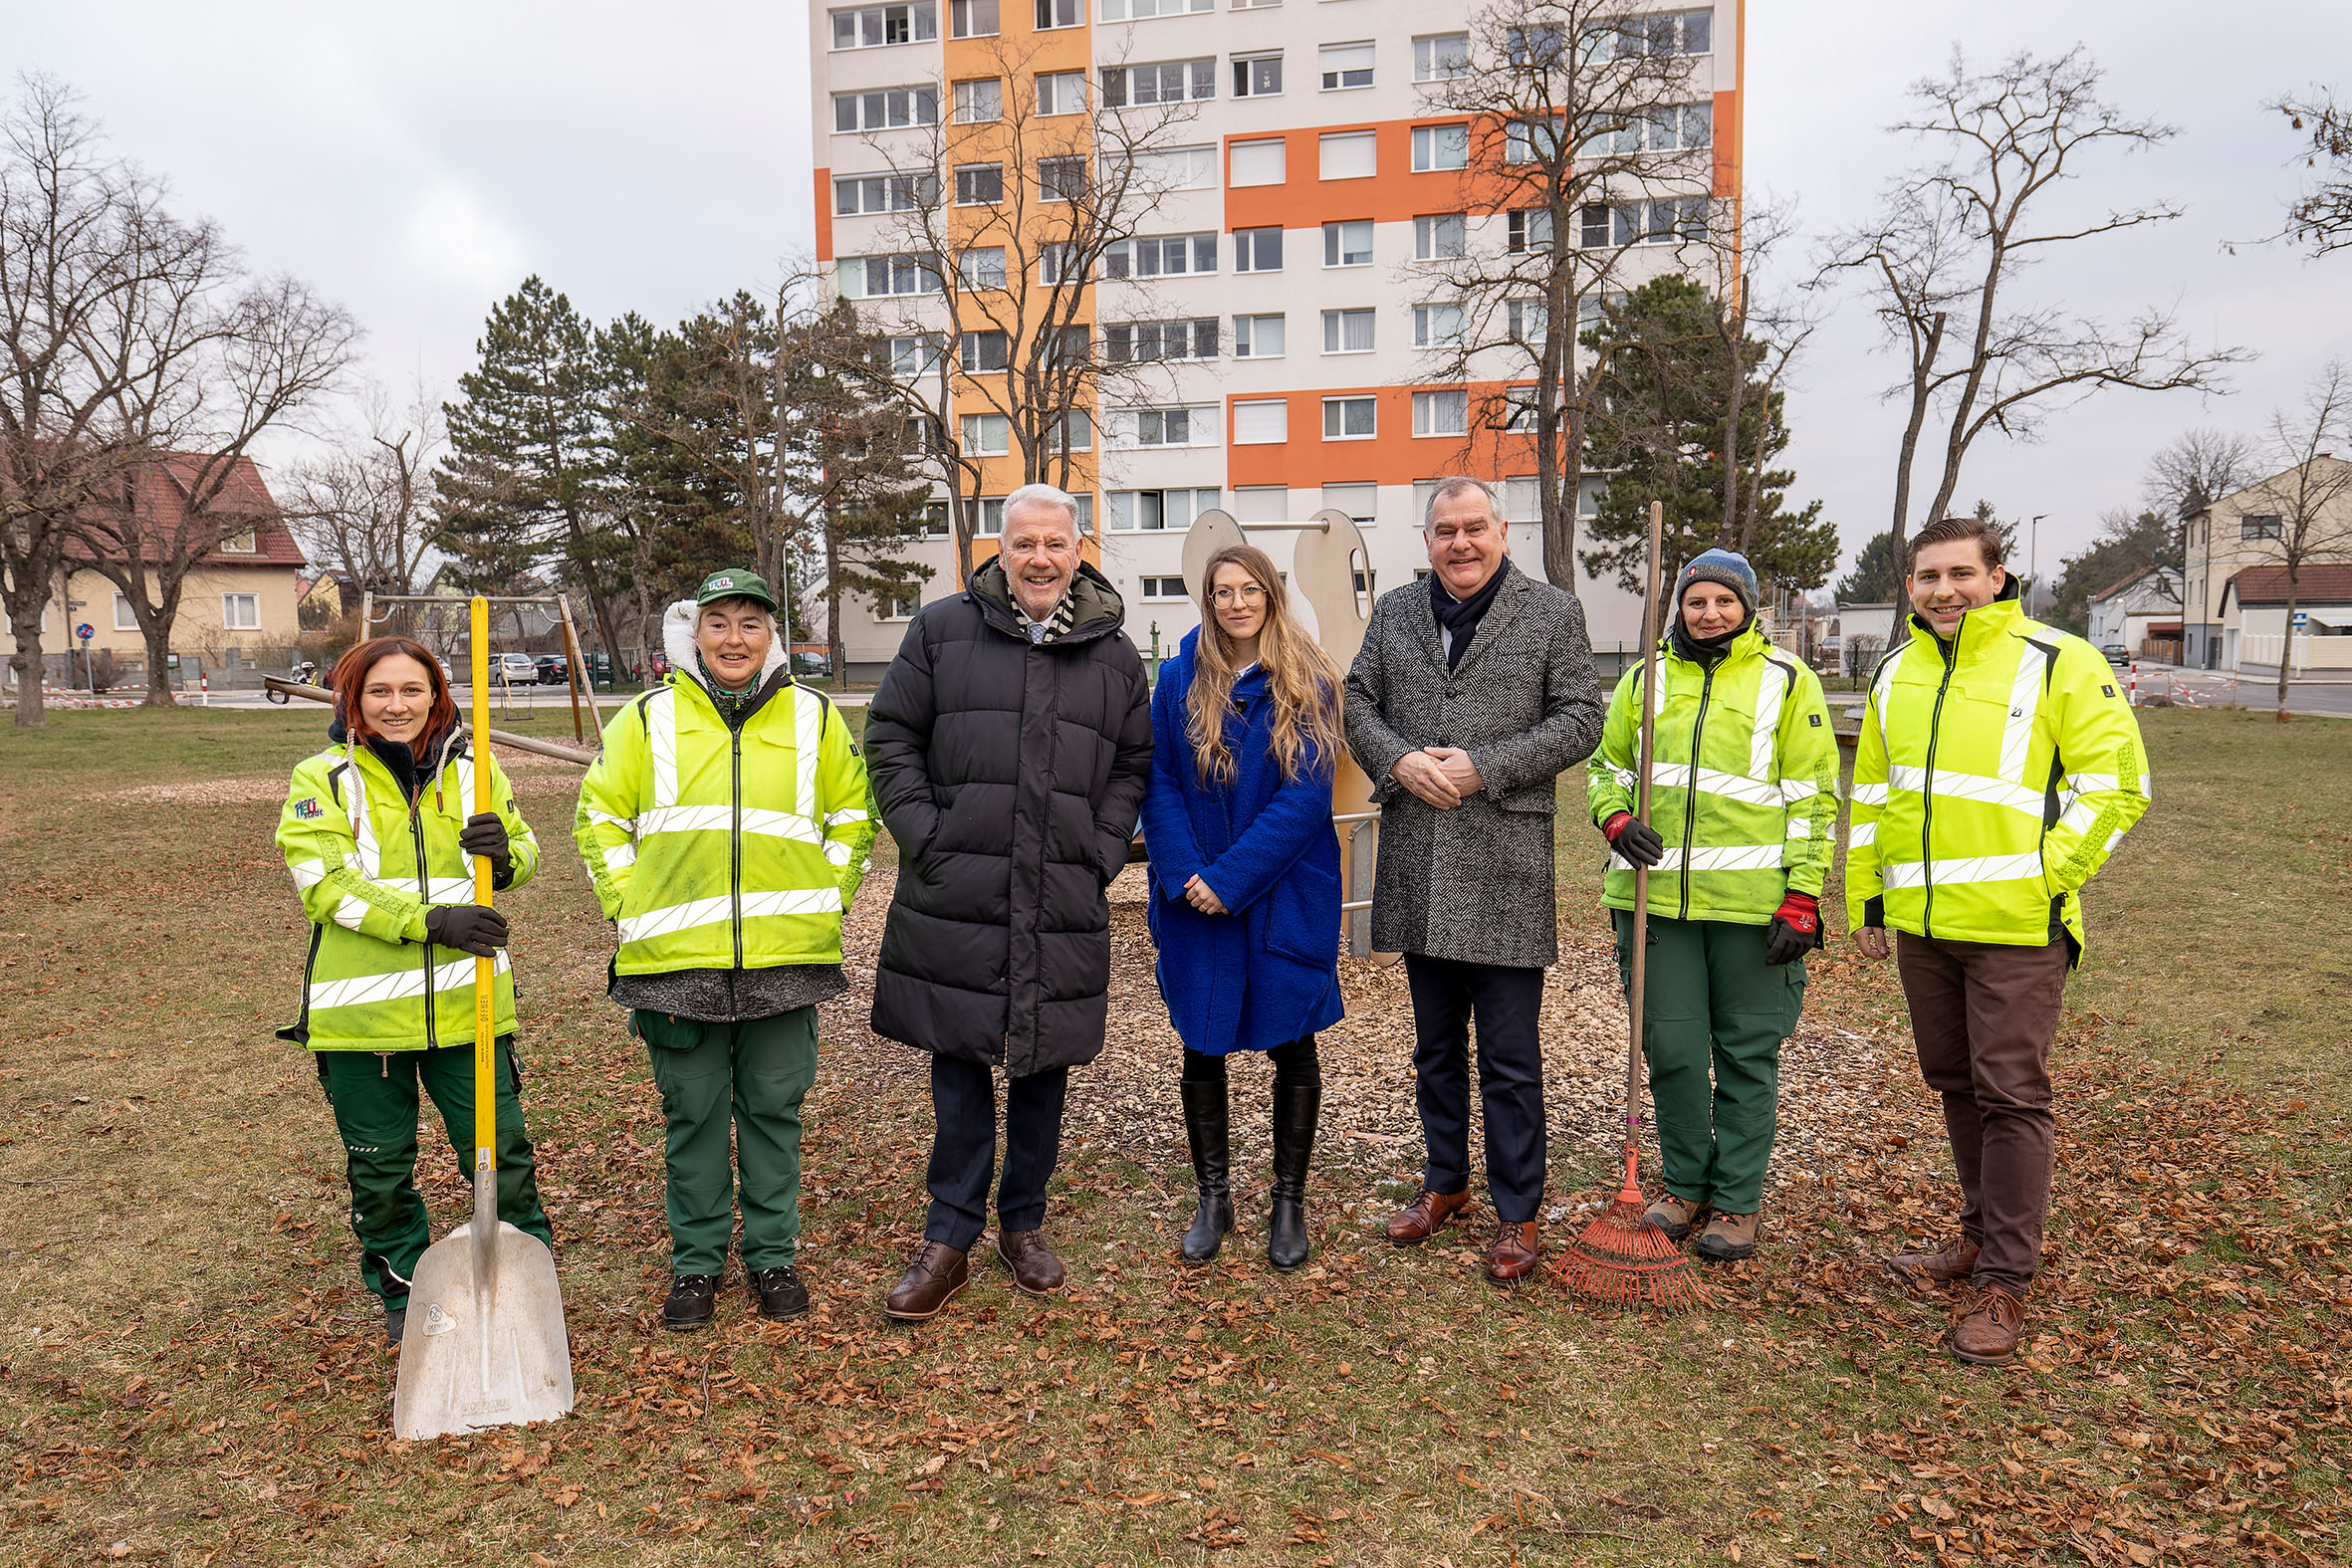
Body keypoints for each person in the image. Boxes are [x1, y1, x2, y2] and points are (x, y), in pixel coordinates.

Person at [1849, 515, 2150, 1366]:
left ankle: (2005, 1283)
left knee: (2011, 1091)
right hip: (1925, 928)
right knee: (1954, 1081)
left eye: (1960, 574)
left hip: (2018, 928)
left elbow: (2118, 785)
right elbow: (1874, 794)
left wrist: (2048, 876)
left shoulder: (2059, 660)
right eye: (1927, 576)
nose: (1944, 590)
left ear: (1996, 576)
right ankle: (1977, 1238)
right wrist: (1872, 903)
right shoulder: (1896, 669)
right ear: (1909, 586)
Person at [864, 485, 1153, 1320]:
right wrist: (931, 837)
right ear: (999, 549)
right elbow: (889, 738)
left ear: (1077, 548)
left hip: (1059, 890)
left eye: (1054, 543)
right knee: (958, 1066)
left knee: (1042, 1068)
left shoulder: (1113, 653)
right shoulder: (941, 630)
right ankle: (948, 1236)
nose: (1038, 557)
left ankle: (1022, 1222)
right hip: (961, 889)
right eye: (1023, 542)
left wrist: (1099, 851)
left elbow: (1134, 763)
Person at [575, 570, 875, 1331]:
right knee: (694, 1117)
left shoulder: (814, 716)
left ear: (771, 634)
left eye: (750, 623)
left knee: (775, 1112)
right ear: (695, 634)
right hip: (676, 965)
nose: (734, 639)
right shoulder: (647, 718)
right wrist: (629, 905)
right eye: (718, 624)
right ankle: (697, 1265)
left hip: (786, 960)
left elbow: (853, 814)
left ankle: (773, 1256)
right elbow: (599, 817)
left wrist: (825, 897)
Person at [1343, 477, 1603, 1282]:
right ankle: (1444, 1182)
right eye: (1445, 530)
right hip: (1421, 854)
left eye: (1475, 528)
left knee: (1512, 1055)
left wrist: (1485, 767)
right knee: (1434, 1047)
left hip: (1505, 864)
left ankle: (1517, 1211)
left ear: (1502, 532)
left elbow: (1581, 716)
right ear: (1427, 541)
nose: (1461, 543)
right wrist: (1396, 758)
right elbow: (1356, 700)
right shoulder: (1394, 612)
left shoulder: (1551, 612)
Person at [275, 635, 553, 1345]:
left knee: (501, 1154)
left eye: (411, 690)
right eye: (380, 692)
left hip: (470, 1008)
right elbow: (328, 889)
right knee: (381, 1173)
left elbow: (522, 849)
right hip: (363, 1023)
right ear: (353, 699)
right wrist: (431, 921)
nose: (396, 705)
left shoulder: (475, 769)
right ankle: (405, 1294)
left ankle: (521, 1283)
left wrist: (507, 854)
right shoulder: (321, 779)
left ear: (437, 696)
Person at [1587, 549, 1838, 1262]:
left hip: (1752, 909)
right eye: (1697, 600)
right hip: (1654, 902)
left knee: (1746, 1055)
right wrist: (1615, 818)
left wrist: (1802, 896)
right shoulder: (1645, 678)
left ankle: (1736, 1198)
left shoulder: (1789, 683)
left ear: (1748, 607)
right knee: (1669, 1051)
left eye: (1724, 601)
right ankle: (1685, 1183)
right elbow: (1607, 766)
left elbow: (1814, 798)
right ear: (1680, 608)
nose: (1709, 612)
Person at [1140, 545, 1345, 1271]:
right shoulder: (1176, 680)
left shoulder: (1309, 678)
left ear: (1270, 595)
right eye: (1223, 590)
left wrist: (1231, 878)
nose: (1236, 602)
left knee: (1293, 1037)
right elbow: (1158, 780)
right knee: (1201, 1039)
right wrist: (1187, 873)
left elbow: (1305, 800)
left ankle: (1288, 1200)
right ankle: (1214, 1195)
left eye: (1249, 589)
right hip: (1195, 895)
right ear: (1208, 599)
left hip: (1281, 891)